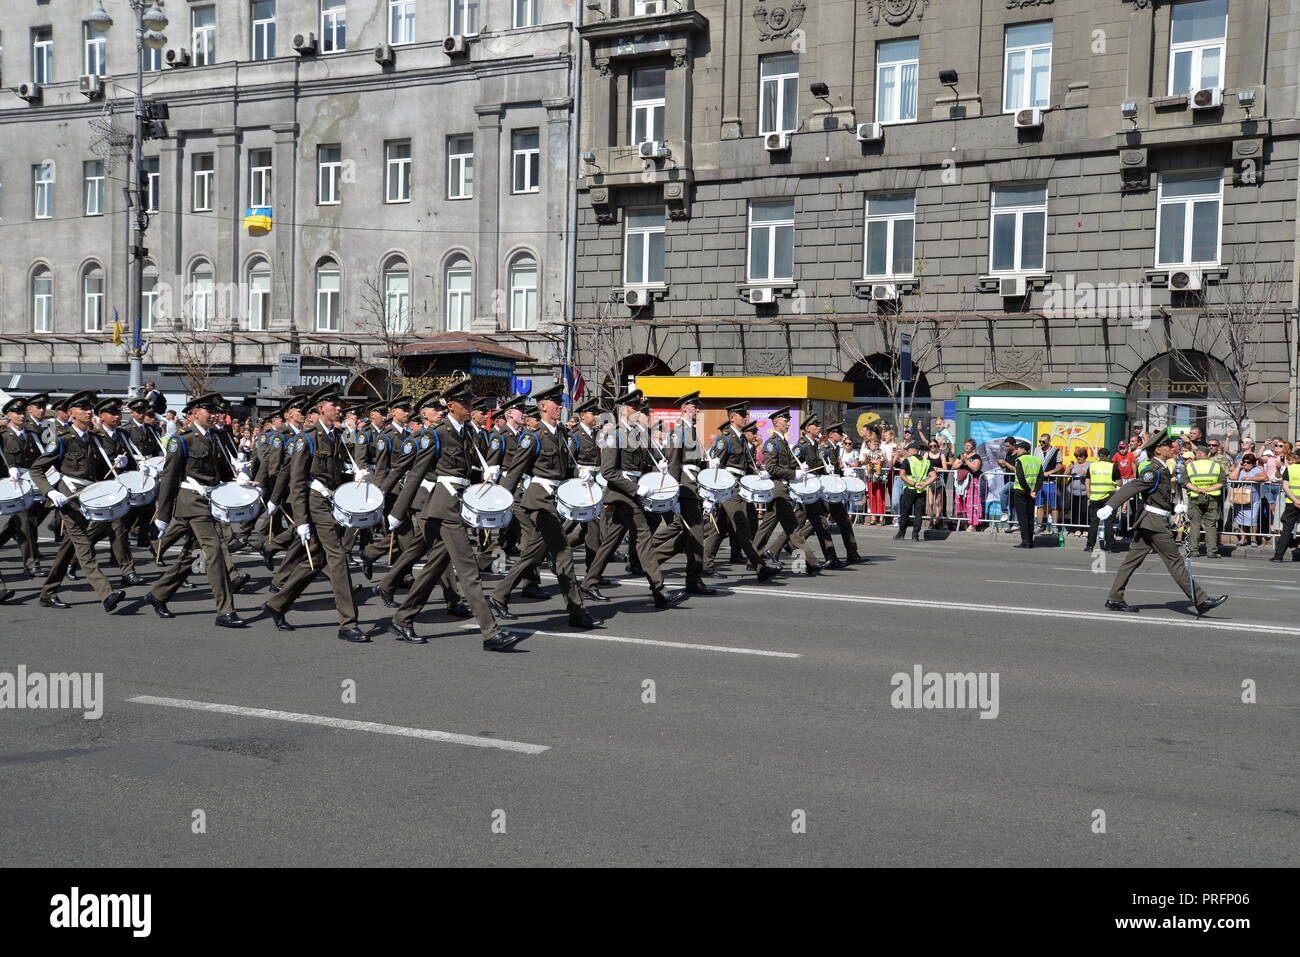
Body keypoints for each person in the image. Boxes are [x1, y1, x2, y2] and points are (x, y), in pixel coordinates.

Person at [261, 385, 368, 642]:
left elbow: (333, 472)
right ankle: (347, 623)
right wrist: (300, 521)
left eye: (339, 405)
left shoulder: (334, 436)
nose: (340, 408)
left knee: (316, 561)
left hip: (330, 501)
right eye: (335, 405)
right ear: (321, 409)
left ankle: (277, 603)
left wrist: (354, 475)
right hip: (315, 503)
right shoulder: (306, 438)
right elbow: (296, 481)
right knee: (338, 556)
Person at [487, 384, 599, 627]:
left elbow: (564, 467)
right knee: (563, 553)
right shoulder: (533, 436)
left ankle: (498, 595)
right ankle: (576, 610)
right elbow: (515, 470)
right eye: (555, 403)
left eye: (561, 403)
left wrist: (580, 473)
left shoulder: (559, 434)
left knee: (534, 554)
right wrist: (502, 502)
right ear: (542, 406)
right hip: (538, 501)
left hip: (554, 499)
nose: (560, 407)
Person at [577, 388, 689, 605]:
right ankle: (659, 588)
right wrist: (635, 489)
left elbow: (647, 461)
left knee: (612, 540)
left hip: (635, 491)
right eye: (634, 406)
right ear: (623, 409)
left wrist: (661, 464)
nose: (639, 410)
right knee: (643, 535)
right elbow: (608, 472)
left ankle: (588, 583)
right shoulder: (613, 433)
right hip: (622, 494)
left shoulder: (638, 434)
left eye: (640, 407)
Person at [145, 394, 248, 627]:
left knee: (192, 554)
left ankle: (158, 594)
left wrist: (238, 476)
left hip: (209, 500)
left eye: (216, 411)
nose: (214, 415)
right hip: (191, 502)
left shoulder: (215, 437)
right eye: (208, 411)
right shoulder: (182, 440)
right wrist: (162, 517)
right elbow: (169, 479)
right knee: (215, 552)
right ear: (194, 413)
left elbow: (220, 473)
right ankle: (225, 610)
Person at [1097, 431, 1226, 616]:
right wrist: (1111, 506)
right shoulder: (1153, 470)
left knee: (1130, 562)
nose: (1172, 448)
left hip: (1150, 521)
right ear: (1158, 450)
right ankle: (1201, 600)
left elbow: (1158, 496)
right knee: (1175, 562)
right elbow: (1133, 486)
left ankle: (1115, 598)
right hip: (1154, 523)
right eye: (1168, 445)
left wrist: (1175, 507)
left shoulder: (1163, 469)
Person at [28, 391, 128, 613]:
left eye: (90, 407)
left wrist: (117, 464)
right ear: (71, 413)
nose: (88, 411)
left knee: (68, 548)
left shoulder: (95, 440)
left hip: (89, 498)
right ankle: (106, 593)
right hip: (69, 500)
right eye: (83, 408)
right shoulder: (62, 440)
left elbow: (99, 474)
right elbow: (37, 469)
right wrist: (50, 492)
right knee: (84, 547)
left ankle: (48, 592)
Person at [701, 402, 778, 579]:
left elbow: (747, 464)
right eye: (742, 415)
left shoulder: (741, 439)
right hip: (729, 487)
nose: (746, 418)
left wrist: (761, 474)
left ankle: (706, 565)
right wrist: (711, 496)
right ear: (732, 417)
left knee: (719, 529)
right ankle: (760, 568)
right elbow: (715, 468)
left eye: (746, 415)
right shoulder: (725, 439)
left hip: (739, 486)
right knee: (742, 527)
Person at [1182, 443, 1225, 558]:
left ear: (1199, 454)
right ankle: (1212, 551)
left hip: (1195, 498)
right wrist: (1207, 489)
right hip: (1211, 498)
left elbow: (1185, 482)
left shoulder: (1190, 466)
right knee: (1210, 525)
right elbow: (1222, 482)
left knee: (1195, 524)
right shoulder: (1216, 466)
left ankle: (1193, 551)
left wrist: (1198, 489)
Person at [892, 443, 933, 541]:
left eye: (908, 450)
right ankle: (915, 535)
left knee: (905, 512)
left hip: (910, 489)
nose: (907, 452)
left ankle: (901, 534)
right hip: (921, 491)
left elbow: (902, 475)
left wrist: (914, 484)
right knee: (918, 514)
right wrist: (924, 484)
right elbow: (934, 476)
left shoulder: (908, 460)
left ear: (913, 450)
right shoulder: (926, 461)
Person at [1084, 447, 1120, 551]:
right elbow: (1119, 482)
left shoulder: (1092, 466)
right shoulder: (1113, 466)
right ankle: (1110, 546)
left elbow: (1087, 482)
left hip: (1094, 498)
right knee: (1108, 522)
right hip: (1109, 498)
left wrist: (1089, 496)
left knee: (1094, 522)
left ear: (1099, 456)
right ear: (1108, 456)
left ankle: (1089, 546)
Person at [1227, 454, 1266, 548]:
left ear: (1253, 463)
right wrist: (1238, 467)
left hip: (1253, 500)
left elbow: (1265, 478)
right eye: (1244, 461)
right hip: (1240, 499)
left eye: (1248, 462)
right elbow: (1232, 478)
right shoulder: (1240, 470)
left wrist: (1250, 478)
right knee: (1242, 520)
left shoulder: (1256, 470)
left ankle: (1253, 539)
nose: (1245, 464)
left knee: (1253, 519)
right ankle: (1243, 539)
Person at [1010, 440, 1044, 548]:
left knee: (1022, 517)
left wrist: (1028, 490)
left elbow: (1020, 477)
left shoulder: (1019, 460)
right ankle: (1030, 541)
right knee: (1030, 517)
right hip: (1032, 492)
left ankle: (1025, 541)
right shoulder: (1037, 460)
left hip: (1021, 491)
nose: (1016, 450)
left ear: (1023, 449)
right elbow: (1040, 477)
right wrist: (1034, 490)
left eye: (1018, 448)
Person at [1269, 447, 1300, 562]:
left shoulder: (1289, 469)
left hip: (1292, 503)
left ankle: (1278, 556)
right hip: (1294, 502)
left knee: (1287, 529)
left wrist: (1295, 500)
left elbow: (1285, 487)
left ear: (1297, 457)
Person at [951, 438, 982, 530]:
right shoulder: (960, 456)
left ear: (973, 447)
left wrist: (966, 461)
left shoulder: (976, 457)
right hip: (961, 483)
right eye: (966, 445)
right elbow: (953, 466)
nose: (967, 447)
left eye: (969, 445)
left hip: (972, 482)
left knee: (972, 503)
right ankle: (963, 523)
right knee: (960, 502)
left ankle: (973, 524)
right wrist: (961, 461)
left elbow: (975, 468)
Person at [1034, 433, 1062, 532]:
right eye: (1040, 441)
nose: (1041, 443)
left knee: (1054, 506)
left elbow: (1059, 466)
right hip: (1039, 482)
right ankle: (1039, 525)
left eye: (1043, 441)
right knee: (1039, 505)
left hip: (1051, 482)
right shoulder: (1037, 450)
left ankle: (1054, 527)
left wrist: (1049, 472)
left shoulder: (1056, 451)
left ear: (1049, 441)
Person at [1066, 447, 1091, 535]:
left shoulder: (1089, 465)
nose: (1078, 458)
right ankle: (1077, 528)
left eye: (1080, 456)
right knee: (1075, 511)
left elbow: (1093, 476)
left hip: (1085, 492)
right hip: (1074, 492)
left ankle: (1085, 529)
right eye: (1076, 456)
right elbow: (1065, 474)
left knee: (1084, 511)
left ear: (1084, 456)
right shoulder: (1074, 465)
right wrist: (1069, 469)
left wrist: (1085, 473)